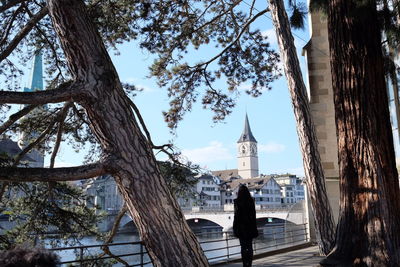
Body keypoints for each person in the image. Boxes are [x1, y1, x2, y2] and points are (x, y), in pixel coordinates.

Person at [233, 184, 258, 267]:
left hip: (241, 227)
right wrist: (254, 227)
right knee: (249, 246)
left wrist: (235, 228)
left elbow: (236, 216)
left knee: (243, 247)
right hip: (250, 227)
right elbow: (253, 215)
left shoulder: (237, 201)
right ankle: (249, 264)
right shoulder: (251, 201)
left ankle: (245, 264)